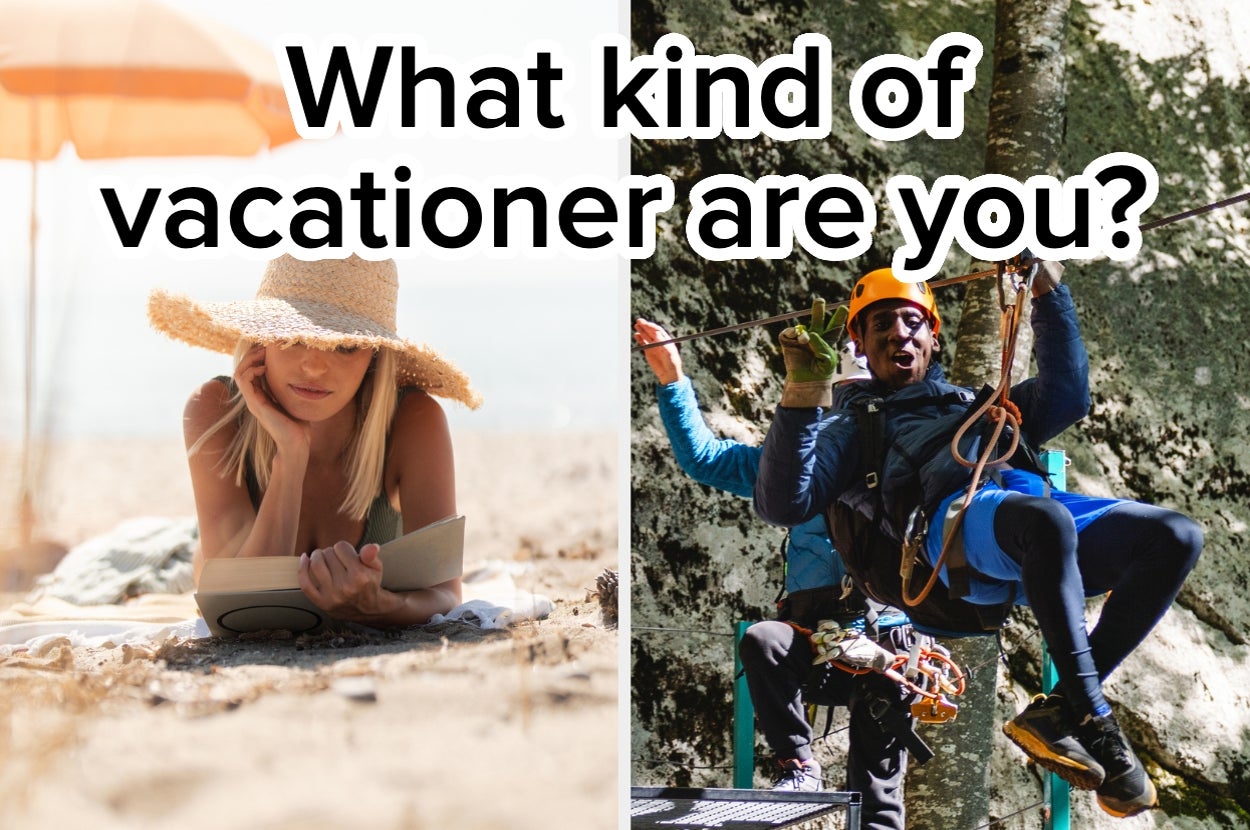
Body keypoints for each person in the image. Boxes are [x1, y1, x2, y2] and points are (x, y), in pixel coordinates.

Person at [753, 264, 1203, 818]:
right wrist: (803, 394)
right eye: (882, 325)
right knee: (1045, 520)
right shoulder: (853, 426)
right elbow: (782, 504)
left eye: (913, 321)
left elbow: (1069, 394)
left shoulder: (977, 404)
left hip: (1022, 529)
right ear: (861, 346)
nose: (900, 332)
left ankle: (1059, 712)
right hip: (939, 545)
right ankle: (1093, 716)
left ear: (933, 336)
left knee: (1175, 536)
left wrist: (1047, 287)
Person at [634, 317, 920, 830]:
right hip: (814, 636)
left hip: (884, 641)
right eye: (839, 410)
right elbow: (704, 460)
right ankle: (798, 764)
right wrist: (672, 378)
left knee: (877, 797)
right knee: (764, 642)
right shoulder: (796, 470)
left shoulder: (907, 470)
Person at [147, 254, 481, 628]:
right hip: (193, 553)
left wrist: (379, 605)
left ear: (374, 354)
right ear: (261, 340)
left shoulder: (413, 421)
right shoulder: (216, 410)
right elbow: (236, 605)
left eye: (344, 346)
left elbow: (446, 594)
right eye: (294, 338)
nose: (314, 366)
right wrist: (290, 455)